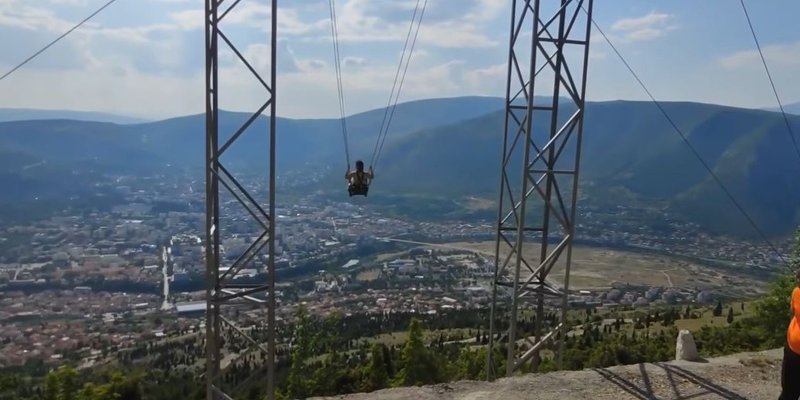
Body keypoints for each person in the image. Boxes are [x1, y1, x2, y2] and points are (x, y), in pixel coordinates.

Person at [780, 269, 800, 400]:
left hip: (794, 348)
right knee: (788, 393)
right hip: (793, 349)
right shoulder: (797, 292)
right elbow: (793, 313)